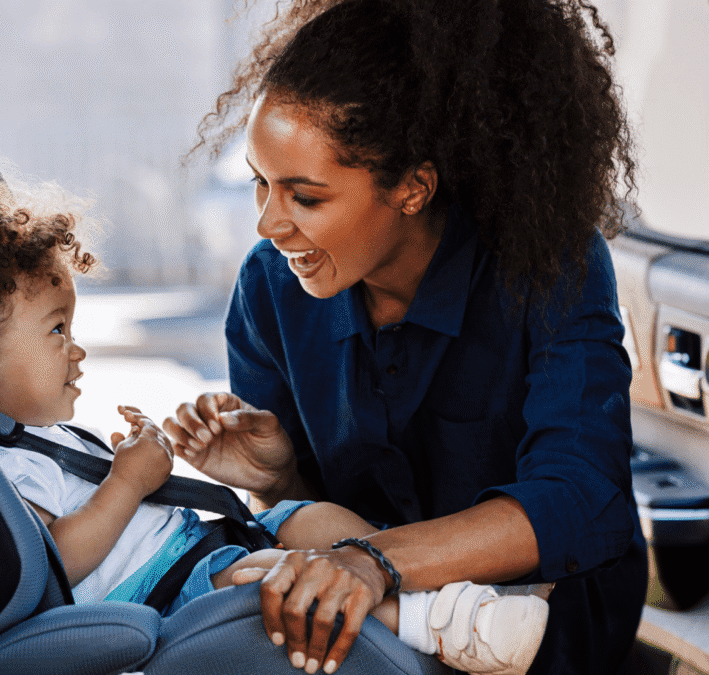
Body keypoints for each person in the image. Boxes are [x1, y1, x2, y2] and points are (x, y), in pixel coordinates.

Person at [164, 0, 646, 674]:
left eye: (305, 196)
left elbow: (580, 500)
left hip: (537, 621)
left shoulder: (547, 262)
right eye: (260, 184)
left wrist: (376, 561)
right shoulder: (270, 289)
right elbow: (315, 522)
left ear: (413, 187)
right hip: (371, 607)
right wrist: (277, 479)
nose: (269, 224)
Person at [0, 176, 550, 674]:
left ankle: (444, 592)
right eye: (57, 332)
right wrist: (127, 482)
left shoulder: (44, 440)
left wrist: (134, 459)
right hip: (160, 588)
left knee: (305, 518)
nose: (76, 351)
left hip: (196, 546)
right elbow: (57, 562)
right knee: (276, 575)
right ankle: (441, 626)